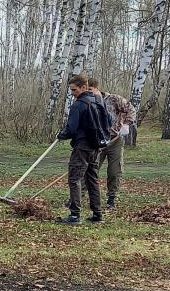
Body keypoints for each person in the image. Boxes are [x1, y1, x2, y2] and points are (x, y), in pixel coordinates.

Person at [55, 74, 108, 226]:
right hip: (95, 147)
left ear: (84, 87)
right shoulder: (99, 102)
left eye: (75, 90)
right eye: (71, 91)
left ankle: (75, 215)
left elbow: (71, 129)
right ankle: (98, 214)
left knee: (74, 178)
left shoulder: (78, 105)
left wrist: (62, 134)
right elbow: (108, 122)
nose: (73, 93)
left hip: (82, 147)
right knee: (92, 179)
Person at [87, 77, 136, 209]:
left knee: (114, 171)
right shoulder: (86, 102)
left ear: (97, 88)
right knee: (90, 168)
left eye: (90, 90)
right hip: (97, 142)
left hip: (115, 140)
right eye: (86, 90)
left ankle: (112, 198)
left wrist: (126, 124)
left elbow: (130, 109)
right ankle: (78, 197)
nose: (89, 93)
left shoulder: (114, 99)